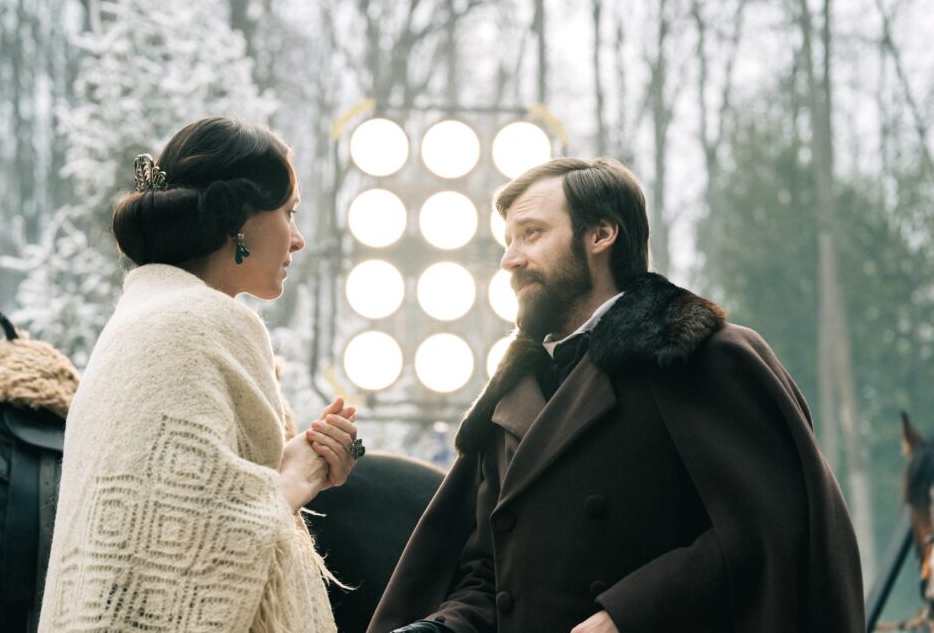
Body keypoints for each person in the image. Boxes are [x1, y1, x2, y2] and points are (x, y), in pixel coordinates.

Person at [368, 158, 864, 633]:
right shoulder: (509, 400)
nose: (509, 259)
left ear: (601, 235)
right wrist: (436, 628)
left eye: (531, 233)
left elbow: (772, 527)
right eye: (508, 241)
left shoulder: (695, 357)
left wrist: (631, 614)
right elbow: (490, 579)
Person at [39, 117, 363, 632]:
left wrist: (296, 461)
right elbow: (193, 547)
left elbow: (170, 510)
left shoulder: (138, 319)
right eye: (288, 211)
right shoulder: (204, 322)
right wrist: (298, 475)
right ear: (236, 218)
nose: (299, 239)